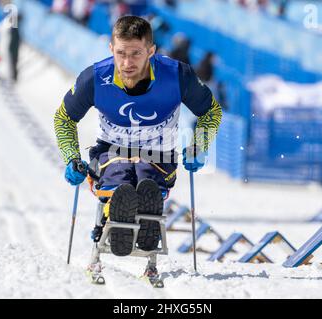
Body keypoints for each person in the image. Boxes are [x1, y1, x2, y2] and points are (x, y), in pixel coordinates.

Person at [54, 16, 222, 280]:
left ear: (151, 51)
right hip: (111, 151)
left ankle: (146, 222)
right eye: (121, 53)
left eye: (136, 54)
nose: (127, 63)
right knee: (120, 179)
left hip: (158, 157)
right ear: (111, 48)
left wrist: (198, 146)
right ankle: (118, 211)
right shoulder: (96, 77)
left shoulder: (177, 75)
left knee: (147, 183)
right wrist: (71, 158)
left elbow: (210, 111)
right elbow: (64, 117)